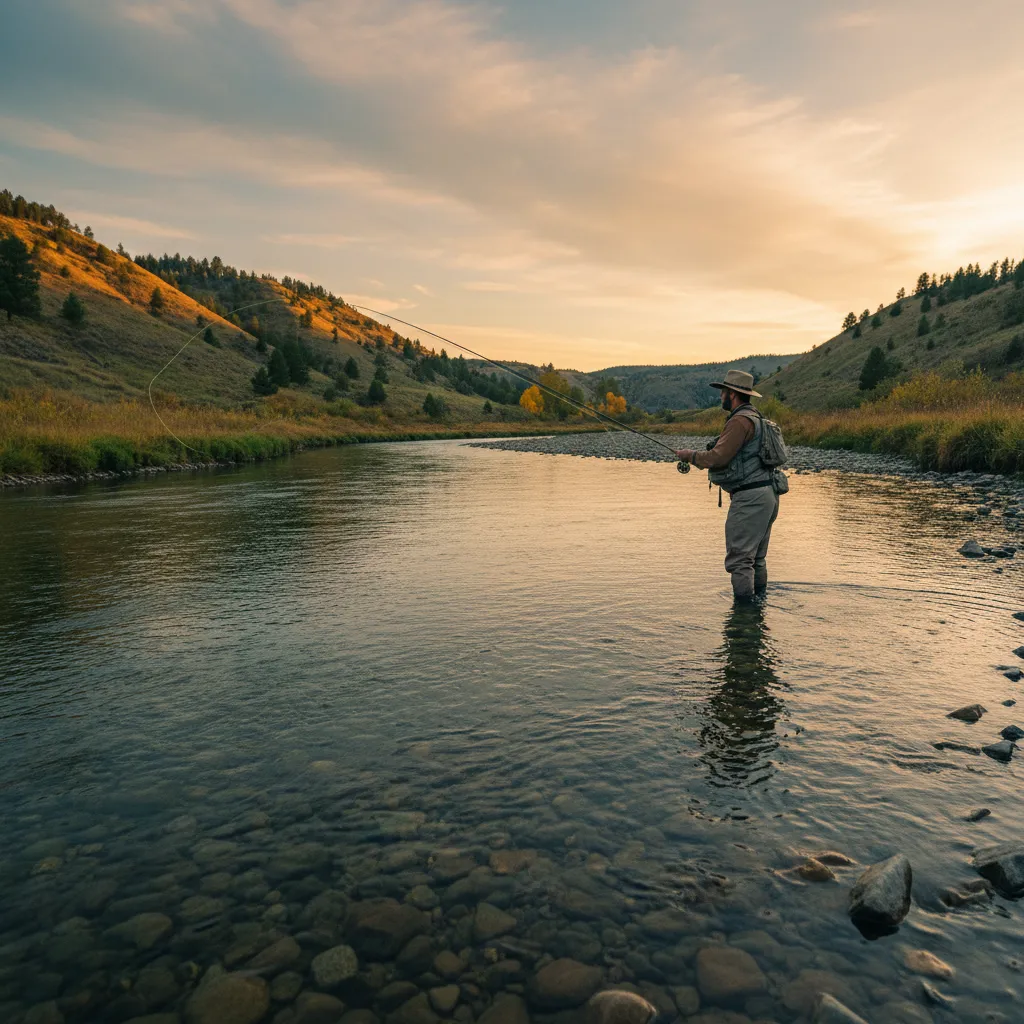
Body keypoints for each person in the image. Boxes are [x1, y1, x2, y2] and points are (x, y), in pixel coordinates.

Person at [674, 369, 782, 602]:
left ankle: (743, 617)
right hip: (769, 494)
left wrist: (689, 455)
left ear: (732, 394)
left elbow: (718, 457)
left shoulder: (739, 421)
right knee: (757, 559)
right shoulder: (757, 418)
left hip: (750, 498)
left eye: (723, 391)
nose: (720, 396)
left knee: (740, 561)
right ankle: (758, 608)